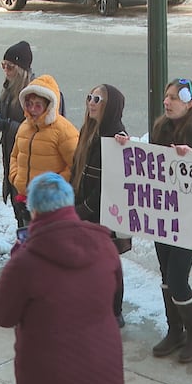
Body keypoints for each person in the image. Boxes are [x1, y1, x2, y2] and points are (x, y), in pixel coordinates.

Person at [0, 172, 123, 384]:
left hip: (45, 374)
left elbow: (0, 313)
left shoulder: (26, 260)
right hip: (96, 368)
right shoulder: (104, 246)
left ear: (34, 210)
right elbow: (113, 295)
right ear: (70, 204)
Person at [149, 78, 192, 364]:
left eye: (174, 98)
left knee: (178, 279)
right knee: (166, 277)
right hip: (161, 213)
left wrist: (191, 162)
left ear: (190, 102)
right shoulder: (160, 127)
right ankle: (174, 330)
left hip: (188, 217)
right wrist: (125, 147)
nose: (167, 102)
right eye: (166, 96)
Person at [70, 84, 129, 328]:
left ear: (111, 106)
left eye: (98, 99)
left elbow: (109, 183)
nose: (91, 103)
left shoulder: (116, 136)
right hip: (84, 208)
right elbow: (78, 169)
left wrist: (83, 209)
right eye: (90, 97)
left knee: (108, 263)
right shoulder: (88, 130)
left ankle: (114, 311)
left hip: (104, 214)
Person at [8, 75, 79, 227]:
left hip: (51, 205)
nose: (32, 109)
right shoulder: (24, 127)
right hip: (25, 200)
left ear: (49, 106)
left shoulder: (64, 130)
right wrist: (15, 178)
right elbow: (14, 155)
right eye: (29, 104)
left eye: (38, 105)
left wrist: (52, 187)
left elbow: (75, 165)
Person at [0, 41, 34, 228]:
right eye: (3, 65)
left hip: (29, 159)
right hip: (11, 154)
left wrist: (7, 124)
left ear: (21, 69)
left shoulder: (34, 93)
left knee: (28, 211)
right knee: (17, 206)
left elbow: (39, 130)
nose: (5, 70)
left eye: (10, 66)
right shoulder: (8, 89)